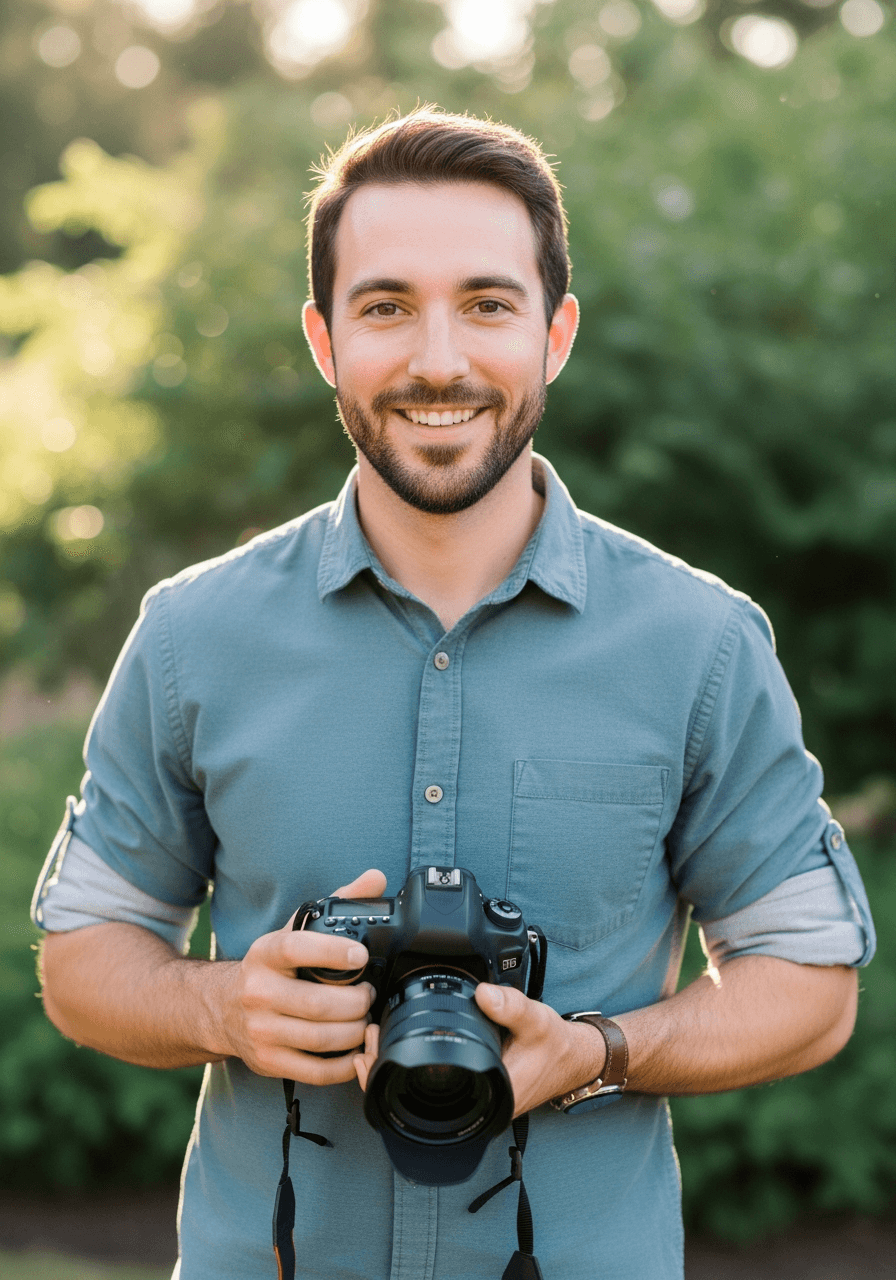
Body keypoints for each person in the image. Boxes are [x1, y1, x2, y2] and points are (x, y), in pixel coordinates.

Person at [32, 109, 875, 1280]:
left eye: (487, 303)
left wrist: (597, 1047)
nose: (439, 359)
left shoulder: (701, 645)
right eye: (386, 306)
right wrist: (225, 1004)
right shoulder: (192, 634)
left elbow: (811, 986)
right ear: (324, 340)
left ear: (556, 332)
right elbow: (81, 956)